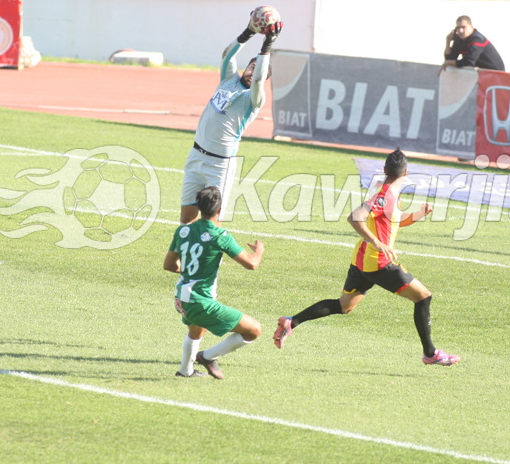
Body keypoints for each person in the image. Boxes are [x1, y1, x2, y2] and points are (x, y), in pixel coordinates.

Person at [272, 148, 460, 366]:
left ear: (384, 169)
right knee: (423, 296)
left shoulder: (385, 190)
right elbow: (354, 217)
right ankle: (430, 353)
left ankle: (290, 322)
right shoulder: (384, 195)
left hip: (362, 258)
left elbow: (392, 220)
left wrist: (418, 214)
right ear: (406, 172)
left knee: (344, 306)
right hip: (378, 262)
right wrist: (376, 242)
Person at [179, 19, 283, 224]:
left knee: (211, 222)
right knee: (186, 220)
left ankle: (213, 257)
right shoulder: (228, 79)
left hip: (220, 165)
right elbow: (227, 54)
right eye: (251, 66)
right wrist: (249, 32)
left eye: (257, 70)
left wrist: (267, 45)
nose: (252, 72)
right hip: (195, 156)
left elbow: (259, 80)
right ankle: (181, 256)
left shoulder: (254, 99)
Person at [164, 186, 265, 379]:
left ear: (199, 208)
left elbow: (169, 265)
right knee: (254, 330)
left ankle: (185, 371)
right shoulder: (220, 236)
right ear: (220, 210)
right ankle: (208, 357)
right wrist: (259, 250)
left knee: (196, 328)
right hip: (200, 301)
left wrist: (189, 271)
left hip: (181, 297)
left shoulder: (183, 231)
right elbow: (251, 264)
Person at [440, 15, 505, 73]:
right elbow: (450, 59)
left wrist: (447, 63)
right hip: (482, 73)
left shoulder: (477, 39)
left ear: (471, 27)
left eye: (463, 27)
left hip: (496, 73)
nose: (460, 31)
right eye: (458, 28)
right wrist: (448, 43)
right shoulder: (459, 39)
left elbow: (469, 63)